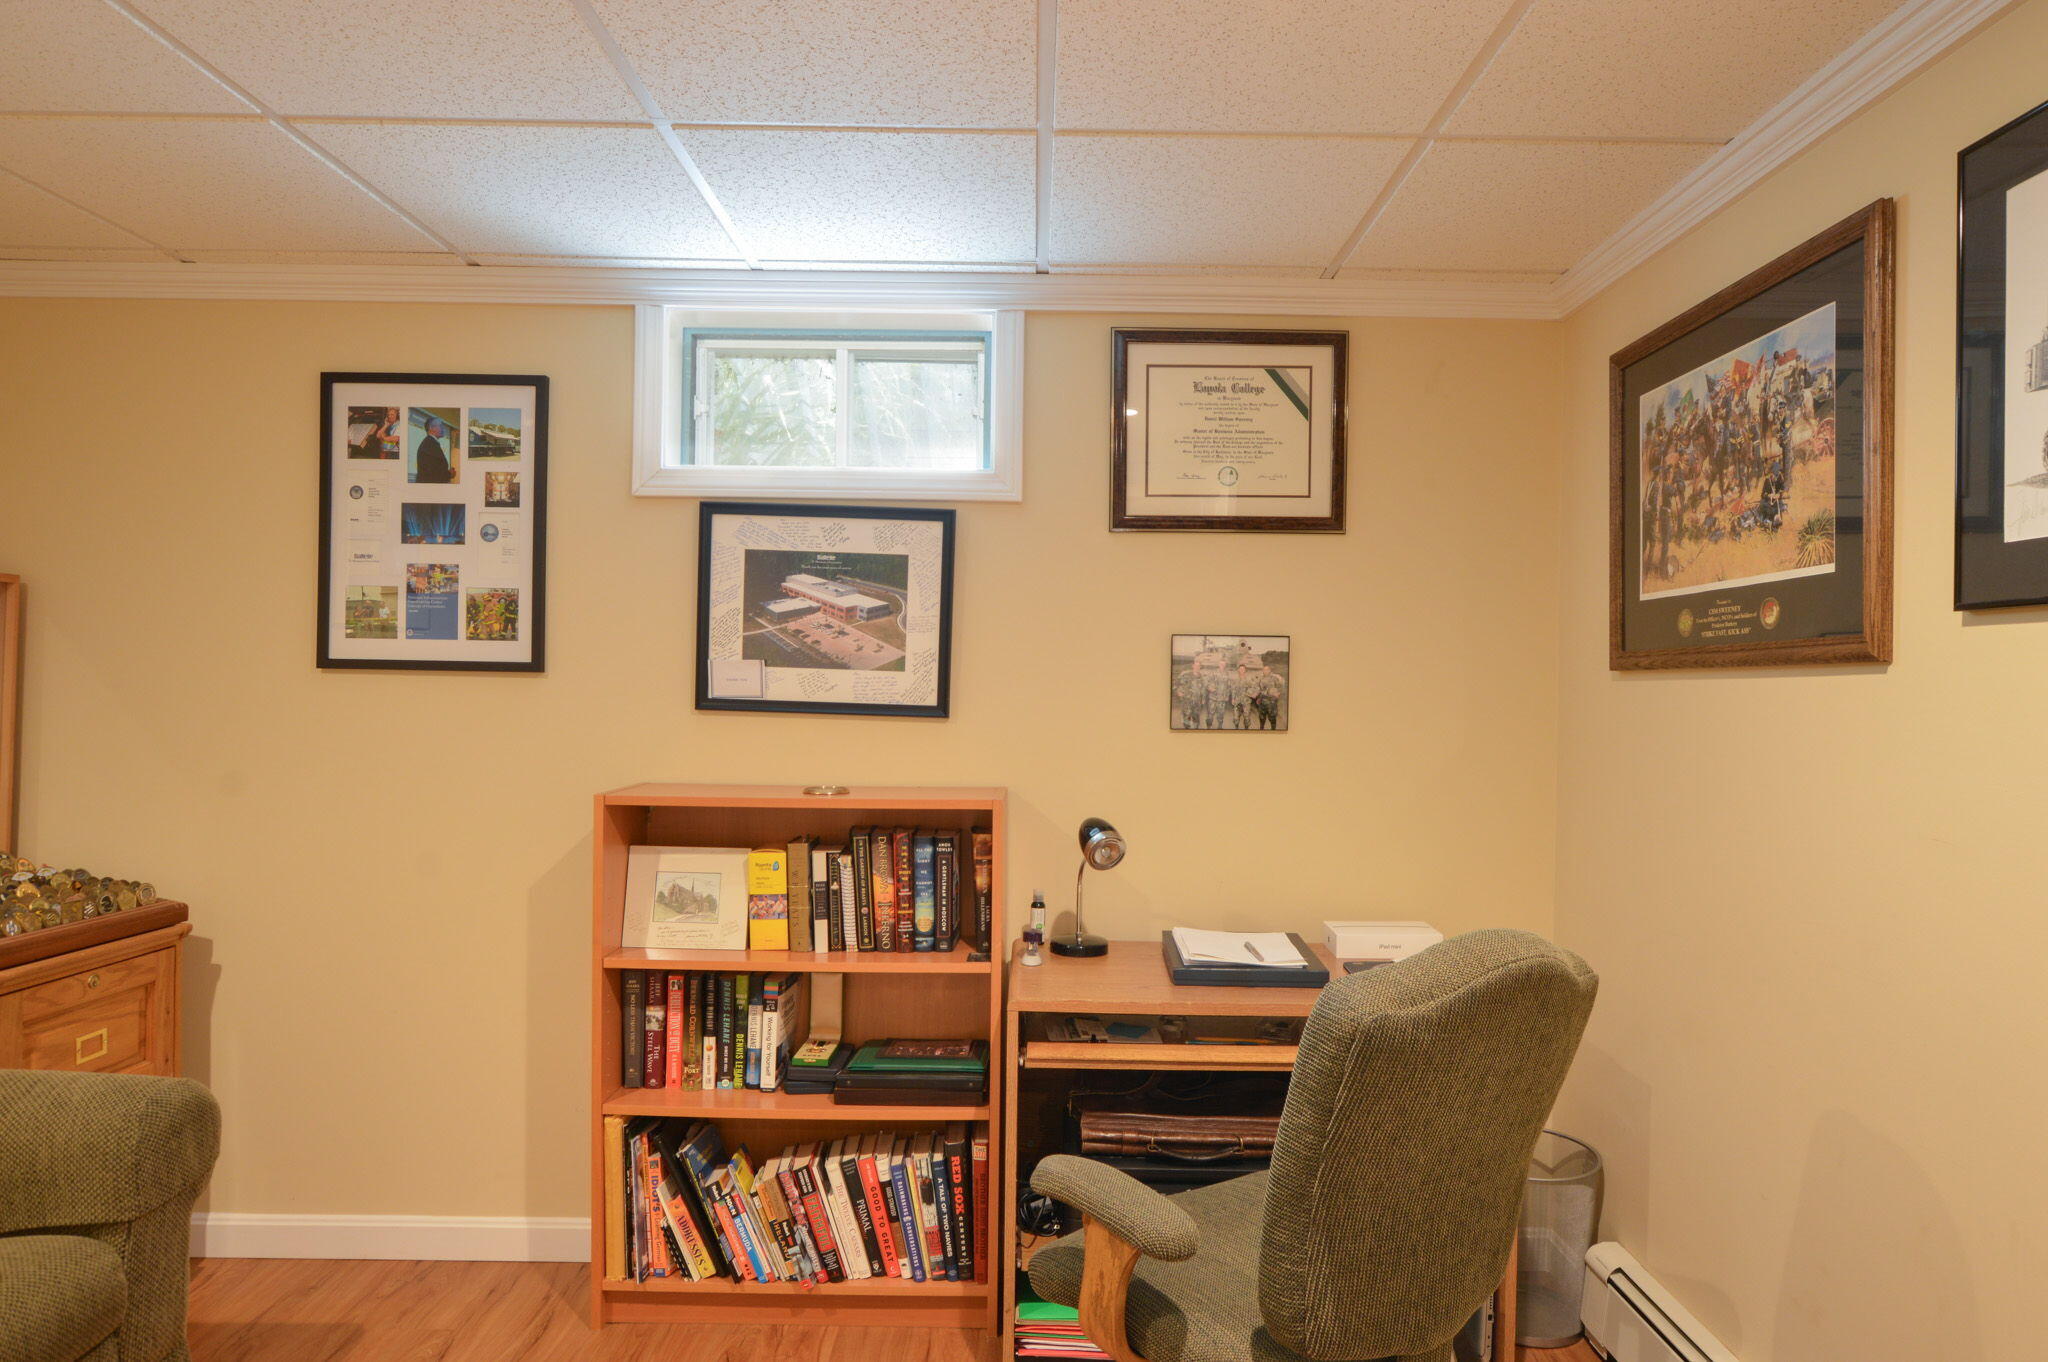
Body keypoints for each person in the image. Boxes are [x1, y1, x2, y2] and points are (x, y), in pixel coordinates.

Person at [413, 415, 453, 484]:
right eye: (440, 426)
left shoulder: (431, 443)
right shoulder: (429, 444)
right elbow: (433, 474)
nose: (443, 428)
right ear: (431, 428)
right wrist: (449, 474)